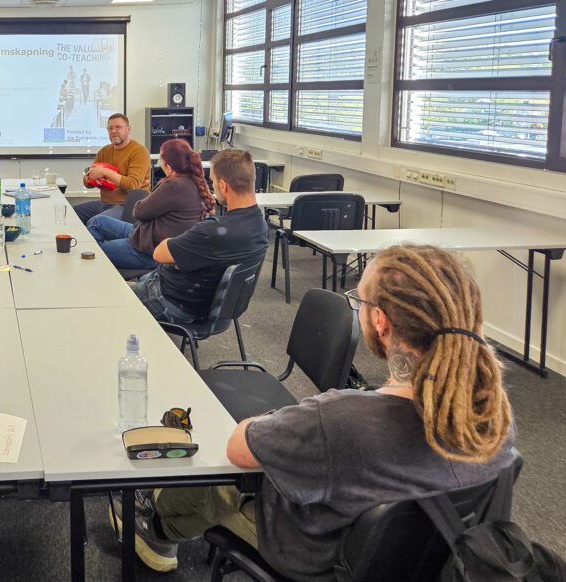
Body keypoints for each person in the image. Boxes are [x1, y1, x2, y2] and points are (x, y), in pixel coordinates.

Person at [115, 244, 518, 578]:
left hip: (322, 559)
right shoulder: (494, 418)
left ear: (380, 321)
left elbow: (240, 447)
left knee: (222, 483)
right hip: (434, 561)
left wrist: (272, 424)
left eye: (360, 301)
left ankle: (155, 529)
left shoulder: (340, 420)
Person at [130, 149, 266, 323]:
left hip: (170, 302)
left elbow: (159, 253)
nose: (213, 188)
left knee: (103, 304)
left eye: (213, 183)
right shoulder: (259, 224)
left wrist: (179, 256)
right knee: (118, 290)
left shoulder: (211, 232)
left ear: (223, 186)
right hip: (200, 303)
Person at [87, 139, 213, 270]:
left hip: (150, 251)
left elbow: (139, 211)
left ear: (168, 167)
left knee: (94, 252)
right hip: (146, 234)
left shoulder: (173, 185)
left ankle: (98, 275)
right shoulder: (192, 181)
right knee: (98, 222)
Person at [74, 113, 151, 225]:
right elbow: (88, 184)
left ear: (128, 129)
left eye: (118, 127)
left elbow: (134, 186)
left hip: (127, 206)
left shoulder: (139, 151)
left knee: (95, 223)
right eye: (110, 128)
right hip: (104, 203)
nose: (113, 131)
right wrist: (90, 176)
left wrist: (106, 172)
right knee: (70, 214)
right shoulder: (104, 151)